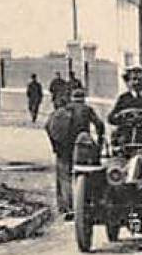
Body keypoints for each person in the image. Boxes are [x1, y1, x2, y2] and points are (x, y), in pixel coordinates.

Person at [44, 86, 104, 219]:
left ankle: (67, 207)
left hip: (64, 147)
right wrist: (99, 141)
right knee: (86, 174)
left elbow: (48, 125)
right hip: (82, 148)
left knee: (64, 177)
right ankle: (84, 204)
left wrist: (55, 145)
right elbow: (99, 125)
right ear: (83, 98)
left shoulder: (63, 110)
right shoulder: (87, 110)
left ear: (72, 98)